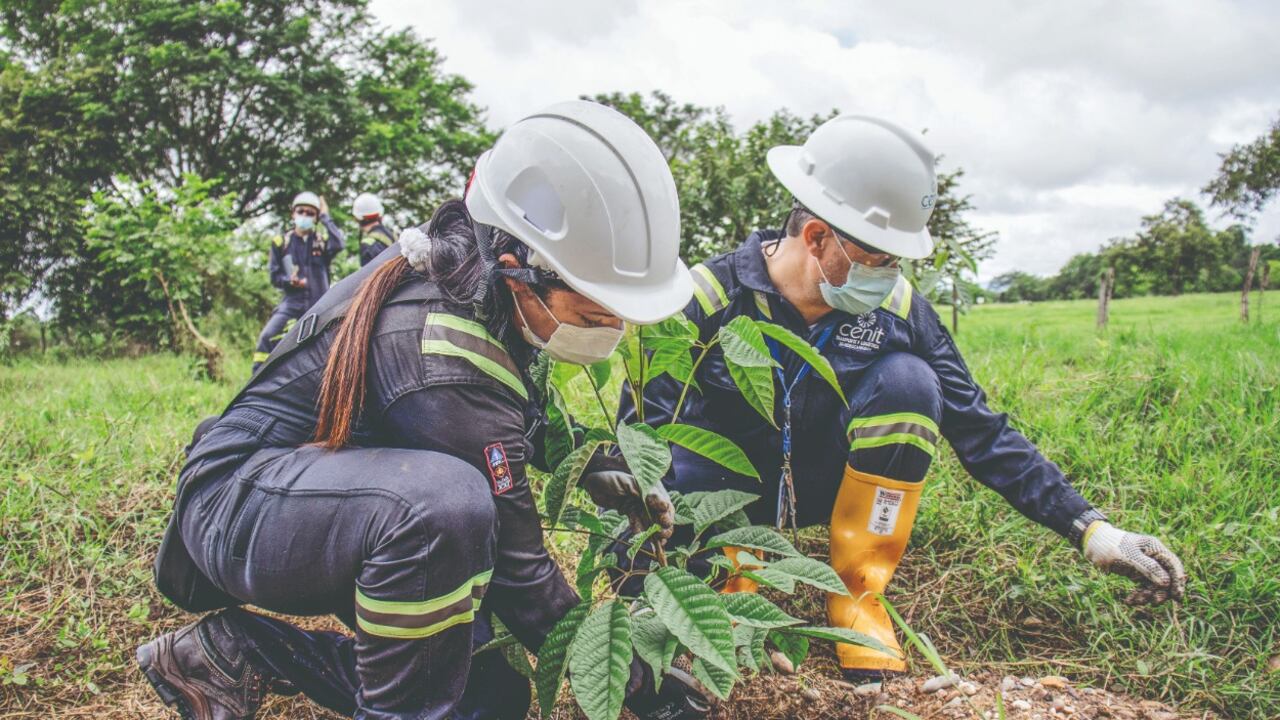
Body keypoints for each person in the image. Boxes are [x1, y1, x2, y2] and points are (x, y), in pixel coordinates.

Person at [138, 101, 706, 720]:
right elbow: (521, 574)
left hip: (317, 493)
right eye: (595, 313)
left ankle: (239, 653)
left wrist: (597, 462)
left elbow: (520, 417)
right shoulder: (443, 350)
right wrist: (636, 686)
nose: (611, 331)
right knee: (443, 508)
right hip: (242, 501)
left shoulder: (473, 284)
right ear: (517, 270)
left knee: (486, 702)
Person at [619, 114, 1187, 681]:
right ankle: (727, 591)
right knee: (682, 454)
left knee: (910, 381)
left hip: (827, 488)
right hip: (719, 491)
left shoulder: (897, 311)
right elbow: (639, 439)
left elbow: (980, 428)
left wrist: (1091, 529)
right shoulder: (707, 298)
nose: (890, 274)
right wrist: (643, 565)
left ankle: (858, 599)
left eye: (897, 260)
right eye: (880, 259)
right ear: (817, 237)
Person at [252, 192, 345, 371]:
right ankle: (256, 380)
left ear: (316, 217)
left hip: (319, 306)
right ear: (293, 213)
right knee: (267, 337)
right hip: (291, 305)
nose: (304, 216)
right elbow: (275, 277)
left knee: (332, 346)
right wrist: (289, 281)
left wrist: (325, 217)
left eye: (310, 213)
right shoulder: (281, 242)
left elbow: (339, 243)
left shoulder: (322, 242)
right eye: (301, 211)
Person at [352, 192, 396, 266]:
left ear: (357, 218)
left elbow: (368, 273)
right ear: (379, 214)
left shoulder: (367, 244)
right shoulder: (393, 235)